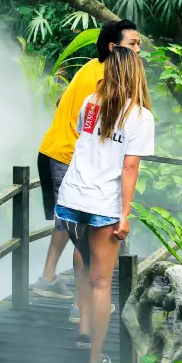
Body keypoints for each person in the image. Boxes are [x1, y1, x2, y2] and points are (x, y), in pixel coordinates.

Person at [33, 21, 141, 325]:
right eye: (132, 44)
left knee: (71, 224)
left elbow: (62, 102)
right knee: (85, 233)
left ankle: (49, 278)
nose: (138, 50)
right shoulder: (105, 77)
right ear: (113, 48)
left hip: (55, 151)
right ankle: (81, 307)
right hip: (68, 156)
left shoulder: (91, 67)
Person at [55, 46, 154, 363]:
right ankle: (95, 361)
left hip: (72, 199)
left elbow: (86, 143)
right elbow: (129, 168)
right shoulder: (140, 117)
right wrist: (124, 214)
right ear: (136, 75)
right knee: (102, 283)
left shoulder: (90, 104)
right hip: (102, 205)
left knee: (82, 262)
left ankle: (83, 331)